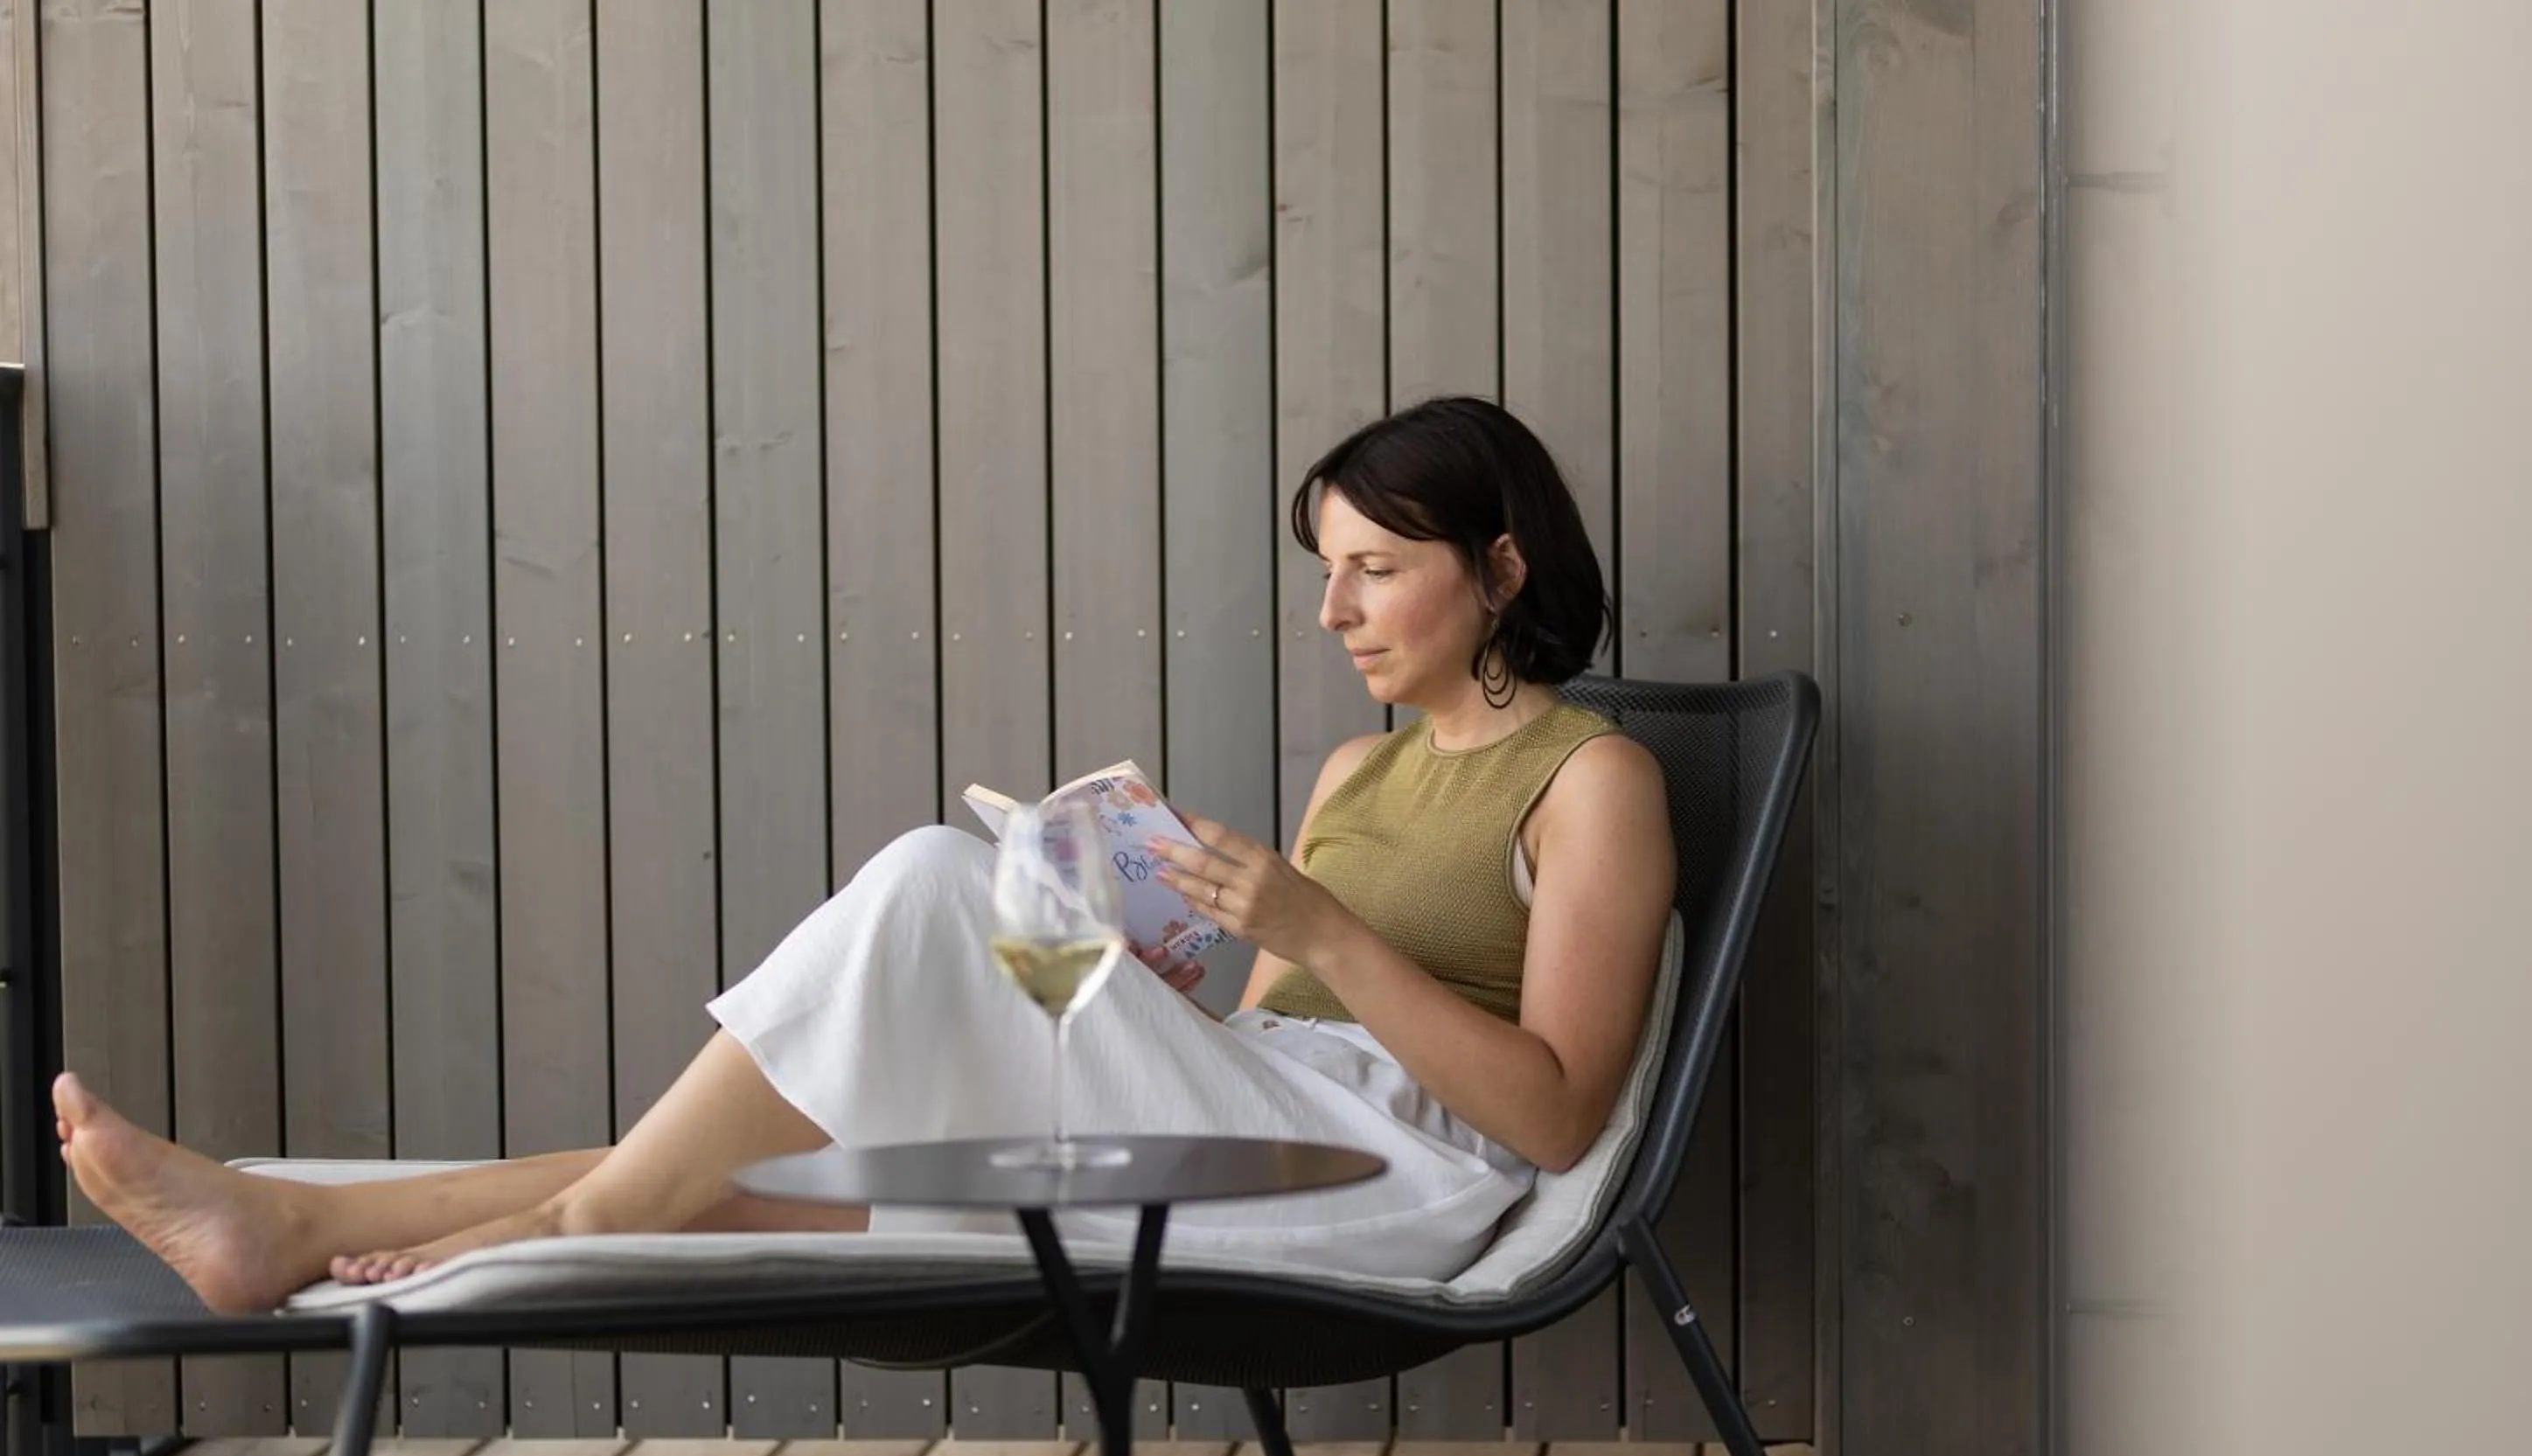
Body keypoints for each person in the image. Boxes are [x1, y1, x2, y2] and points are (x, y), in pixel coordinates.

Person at [51, 396, 1677, 1313]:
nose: (1334, 613)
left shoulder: (1591, 783)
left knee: (915, 889)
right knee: (816, 1108)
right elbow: (1257, 1023)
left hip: (1393, 1182)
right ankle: (287, 1226)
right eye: (1328, 571)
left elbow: (1553, 1110)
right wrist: (1126, 927)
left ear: (1499, 565)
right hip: (1259, 1100)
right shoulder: (1357, 768)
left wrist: (1321, 928)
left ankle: (526, 1227)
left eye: (1376, 572)